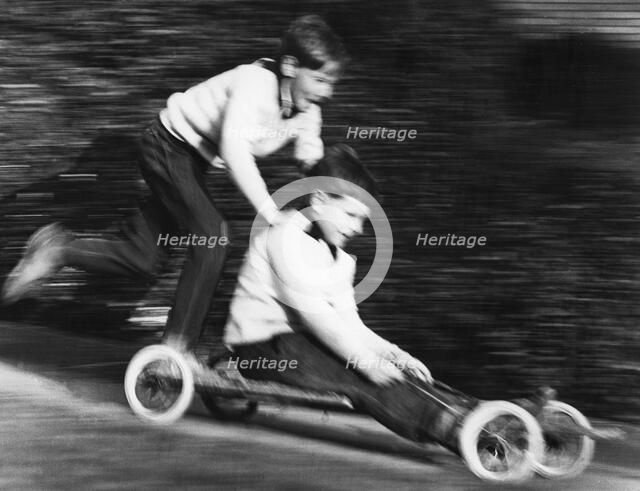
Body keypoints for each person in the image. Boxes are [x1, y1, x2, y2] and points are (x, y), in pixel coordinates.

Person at [2, 15, 347, 354]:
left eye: (331, 83)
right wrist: (272, 213)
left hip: (191, 163)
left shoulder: (307, 111)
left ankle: (57, 249)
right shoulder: (254, 84)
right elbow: (235, 151)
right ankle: (177, 348)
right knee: (214, 235)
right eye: (319, 80)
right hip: (165, 145)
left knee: (142, 259)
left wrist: (328, 190)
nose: (327, 92)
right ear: (290, 66)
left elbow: (310, 154)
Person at [221, 144, 556, 450]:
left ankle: (489, 414)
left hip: (306, 341)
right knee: (362, 374)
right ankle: (461, 429)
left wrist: (395, 354)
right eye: (351, 215)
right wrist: (367, 362)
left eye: (364, 220)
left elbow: (349, 325)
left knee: (395, 371)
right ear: (320, 199)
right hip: (263, 347)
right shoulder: (285, 237)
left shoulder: (337, 259)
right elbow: (316, 319)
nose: (358, 229)